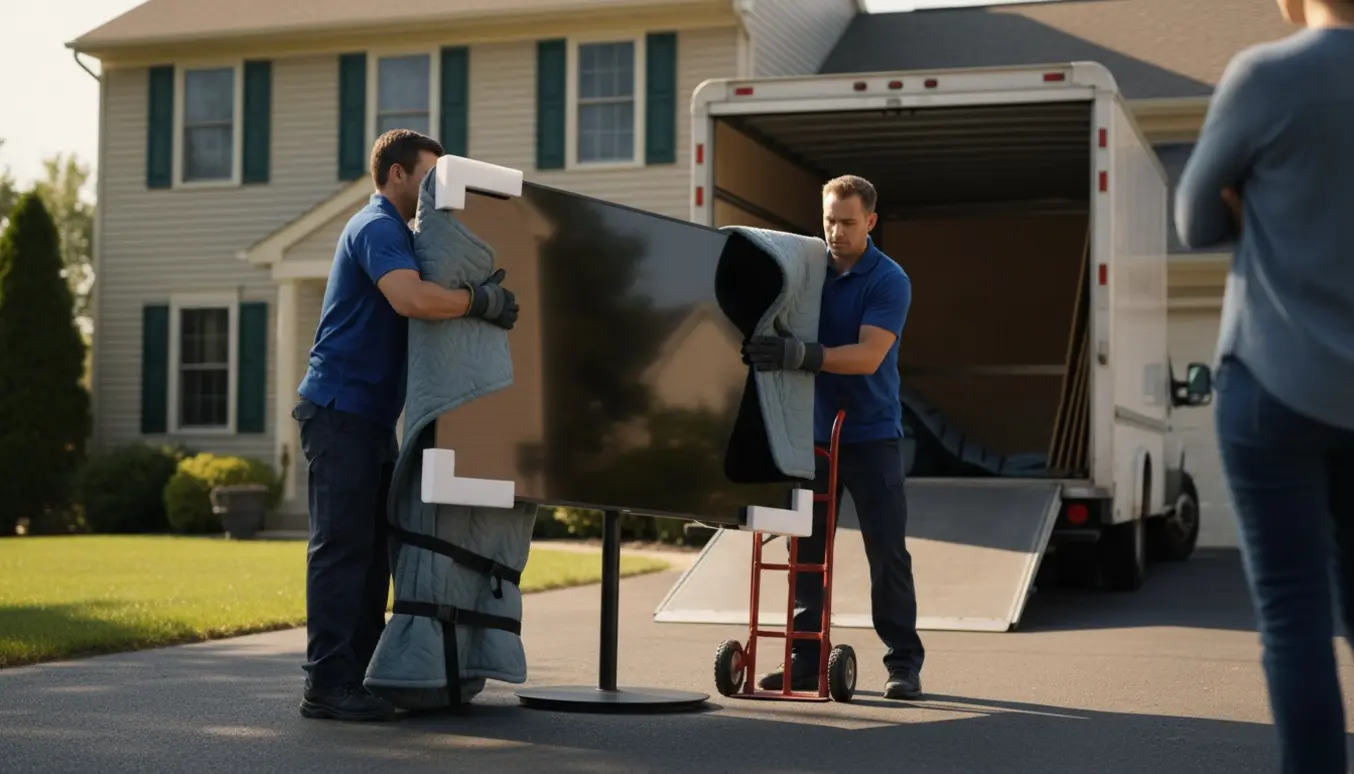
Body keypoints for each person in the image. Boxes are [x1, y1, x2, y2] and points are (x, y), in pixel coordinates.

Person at [1175, 2, 1354, 771]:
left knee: (1295, 614)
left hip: (1274, 381)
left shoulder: (1267, 75)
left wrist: (1255, 202)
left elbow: (1194, 221)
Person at [292, 129, 521, 722]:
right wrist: (479, 302)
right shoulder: (377, 229)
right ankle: (327, 684)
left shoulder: (408, 235)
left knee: (372, 553)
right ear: (396, 174)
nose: (436, 192)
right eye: (429, 178)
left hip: (369, 419)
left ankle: (358, 676)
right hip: (339, 412)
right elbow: (411, 300)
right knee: (342, 550)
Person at [741, 174, 925, 700]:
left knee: (887, 551)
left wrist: (804, 355)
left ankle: (903, 664)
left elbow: (868, 357)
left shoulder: (889, 280)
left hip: (871, 436)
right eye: (828, 221)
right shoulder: (808, 270)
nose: (836, 232)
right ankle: (804, 659)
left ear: (870, 221)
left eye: (847, 222)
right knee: (806, 551)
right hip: (811, 436)